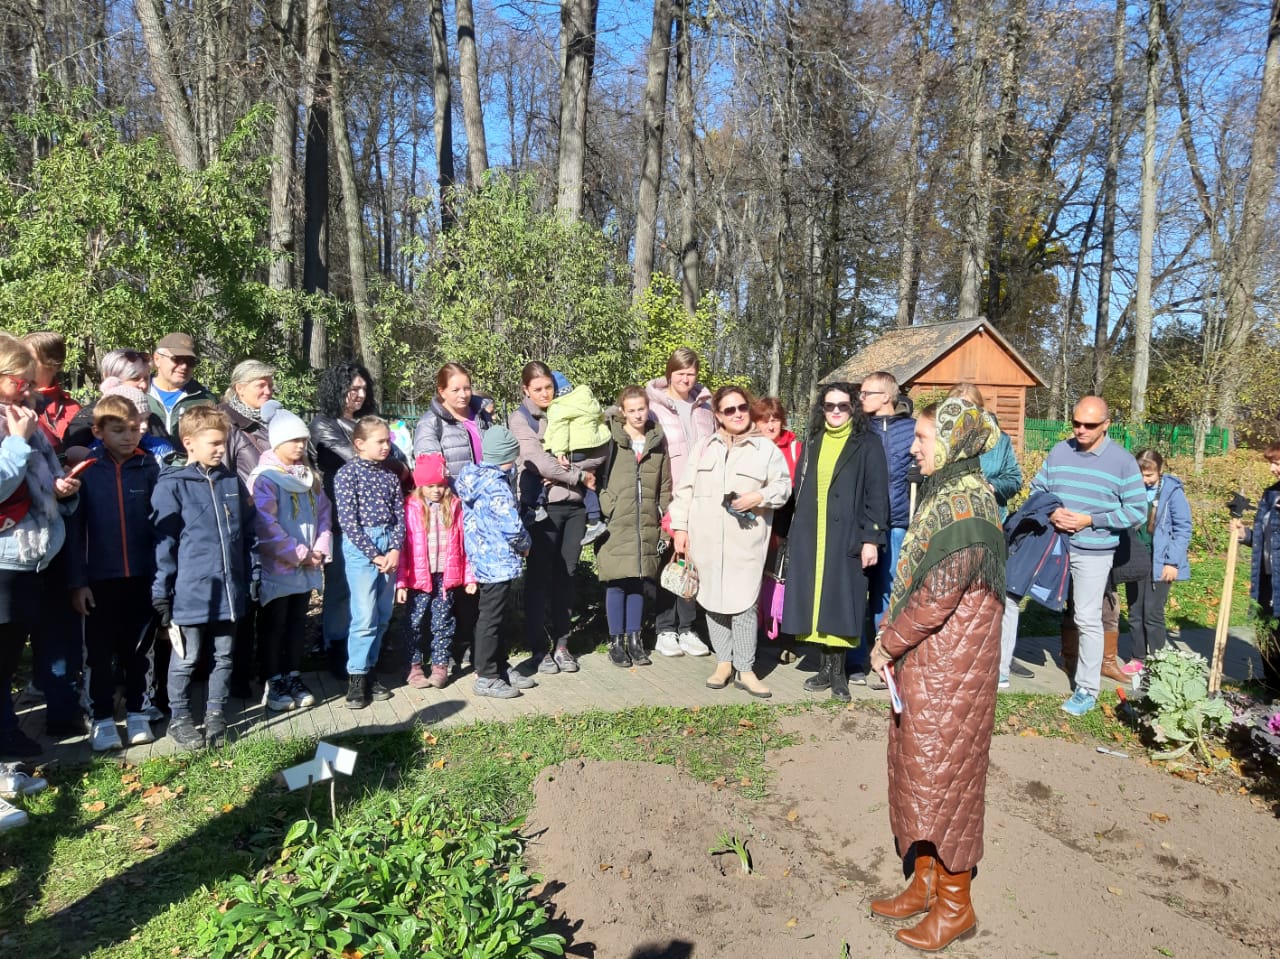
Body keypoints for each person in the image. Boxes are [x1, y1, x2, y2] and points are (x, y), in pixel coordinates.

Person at [867, 397, 1007, 952]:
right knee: (921, 776)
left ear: (952, 443)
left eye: (923, 439)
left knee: (945, 782)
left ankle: (956, 907)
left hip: (952, 672)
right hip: (931, 669)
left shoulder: (968, 509)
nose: (914, 448)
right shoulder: (947, 495)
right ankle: (924, 883)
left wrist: (885, 645)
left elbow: (935, 599)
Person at [1004, 396, 1146, 715]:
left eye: (1089, 425)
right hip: (1050, 544)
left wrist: (1091, 520)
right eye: (1076, 423)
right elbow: (1038, 487)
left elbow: (1137, 510)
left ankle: (1086, 688)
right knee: (1011, 594)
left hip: (1094, 550)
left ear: (1106, 425)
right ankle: (999, 671)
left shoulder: (1122, 462)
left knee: (1086, 616)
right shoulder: (1060, 451)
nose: (1080, 429)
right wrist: (1052, 511)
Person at [668, 386, 791, 698]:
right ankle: (723, 663)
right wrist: (680, 529)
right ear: (718, 416)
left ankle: (746, 669)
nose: (737, 414)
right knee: (713, 603)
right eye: (729, 410)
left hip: (745, 542)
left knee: (745, 605)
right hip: (706, 540)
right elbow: (685, 490)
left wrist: (758, 496)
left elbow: (783, 487)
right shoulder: (704, 447)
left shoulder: (765, 449)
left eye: (741, 408)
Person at [151, 406, 255, 751]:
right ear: (188, 443)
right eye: (212, 443)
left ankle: (215, 715)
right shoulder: (172, 486)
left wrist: (252, 575)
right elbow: (163, 545)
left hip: (230, 591)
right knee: (187, 657)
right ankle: (179, 719)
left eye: (222, 443)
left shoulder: (230, 481)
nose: (219, 450)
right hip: (191, 593)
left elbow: (248, 534)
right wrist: (161, 593)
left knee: (224, 656)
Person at [780, 383, 890, 702]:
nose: (837, 411)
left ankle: (839, 672)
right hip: (813, 534)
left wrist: (872, 538)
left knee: (842, 600)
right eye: (830, 406)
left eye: (843, 405)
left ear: (853, 407)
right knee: (817, 601)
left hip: (848, 535)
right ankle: (825, 667)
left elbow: (877, 495)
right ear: (822, 409)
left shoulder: (868, 443)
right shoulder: (814, 442)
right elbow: (800, 488)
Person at [0, 333, 81, 759]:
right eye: (20, 381)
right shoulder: (14, 425)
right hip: (6, 556)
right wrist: (15, 441)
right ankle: (6, 737)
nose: (30, 389)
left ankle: (23, 727)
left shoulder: (23, 415)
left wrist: (62, 489)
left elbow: (42, 479)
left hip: (36, 553)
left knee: (19, 651)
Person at [66, 395, 161, 751]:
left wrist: (162, 577)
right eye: (118, 430)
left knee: (139, 650)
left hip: (142, 577)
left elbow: (162, 529)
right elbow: (74, 533)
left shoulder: (151, 468)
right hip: (98, 582)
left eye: (134, 429)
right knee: (99, 653)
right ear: (98, 431)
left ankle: (139, 711)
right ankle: (102, 718)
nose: (128, 437)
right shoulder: (87, 472)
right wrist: (78, 583)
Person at [510, 361, 606, 675]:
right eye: (537, 389)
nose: (544, 394)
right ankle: (539, 647)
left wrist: (570, 467)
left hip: (575, 509)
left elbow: (599, 449)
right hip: (542, 511)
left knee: (566, 577)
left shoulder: (571, 408)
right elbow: (536, 461)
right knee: (539, 579)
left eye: (548, 387)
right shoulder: (521, 419)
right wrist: (578, 474)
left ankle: (562, 644)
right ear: (526, 389)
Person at [945, 385, 1030, 689]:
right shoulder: (942, 438)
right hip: (950, 527)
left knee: (987, 596)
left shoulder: (999, 441)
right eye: (956, 404)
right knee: (951, 595)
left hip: (989, 526)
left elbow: (1014, 479)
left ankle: (990, 662)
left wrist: (992, 486)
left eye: (968, 405)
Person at [248, 409, 332, 712]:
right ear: (277, 442)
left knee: (297, 623)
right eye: (293, 440)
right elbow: (265, 524)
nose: (300, 446)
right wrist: (299, 554)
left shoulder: (309, 477)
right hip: (278, 568)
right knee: (274, 625)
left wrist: (319, 550)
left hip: (306, 565)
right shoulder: (266, 478)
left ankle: (293, 675)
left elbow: (324, 516)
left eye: (303, 440)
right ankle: (274, 680)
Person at [310, 361, 379, 679]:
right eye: (353, 389)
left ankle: (364, 652)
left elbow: (395, 457)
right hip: (339, 515)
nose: (360, 394)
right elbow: (356, 457)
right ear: (337, 390)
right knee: (339, 588)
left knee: (368, 589)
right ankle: (336, 649)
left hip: (373, 516)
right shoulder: (324, 424)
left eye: (364, 388)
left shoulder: (370, 422)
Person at [645, 349, 716, 657]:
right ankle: (664, 629)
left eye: (691, 374)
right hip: (670, 493)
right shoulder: (654, 407)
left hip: (701, 495)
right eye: (680, 373)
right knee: (669, 561)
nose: (686, 379)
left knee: (692, 563)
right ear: (669, 373)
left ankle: (688, 628)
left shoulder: (705, 407)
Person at [455, 426, 535, 698]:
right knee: (491, 618)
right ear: (510, 456)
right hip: (498, 560)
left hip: (482, 557)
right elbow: (512, 526)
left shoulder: (475, 479)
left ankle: (499, 666)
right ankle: (487, 675)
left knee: (493, 616)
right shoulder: (497, 486)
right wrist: (525, 545)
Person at [596, 385, 671, 668]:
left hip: (647, 523)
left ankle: (635, 640)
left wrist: (664, 522)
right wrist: (606, 504)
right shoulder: (611, 439)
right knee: (617, 583)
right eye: (632, 410)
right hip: (617, 521)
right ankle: (616, 642)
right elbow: (595, 473)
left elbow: (664, 486)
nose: (638, 415)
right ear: (623, 412)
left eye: (642, 409)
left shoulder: (656, 441)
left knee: (639, 582)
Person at [334, 416, 404, 710]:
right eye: (380, 441)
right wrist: (374, 554)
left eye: (388, 441)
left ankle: (372, 669)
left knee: (383, 613)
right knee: (364, 615)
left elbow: (399, 515)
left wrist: (395, 550)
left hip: (388, 545)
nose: (386, 446)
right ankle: (357, 677)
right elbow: (349, 522)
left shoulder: (390, 476)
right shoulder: (347, 475)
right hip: (362, 548)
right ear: (360, 444)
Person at [396, 453, 475, 689]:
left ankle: (440, 666)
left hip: (445, 577)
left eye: (440, 486)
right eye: (430, 486)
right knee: (415, 622)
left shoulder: (454, 506)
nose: (436, 491)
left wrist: (469, 576)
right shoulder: (411, 507)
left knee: (443, 622)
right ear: (421, 485)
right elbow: (402, 548)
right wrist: (400, 582)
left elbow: (465, 544)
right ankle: (414, 666)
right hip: (418, 578)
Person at [858, 371, 916, 684]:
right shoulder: (859, 428)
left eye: (867, 393)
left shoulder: (912, 429)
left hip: (897, 523)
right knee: (858, 589)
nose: (861, 398)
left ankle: (885, 659)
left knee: (890, 592)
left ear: (886, 397)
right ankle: (854, 659)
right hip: (864, 523)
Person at [1119, 448, 1191, 673]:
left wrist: (1172, 562)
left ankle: (1159, 658)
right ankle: (1138, 656)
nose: (1144, 480)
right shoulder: (1130, 491)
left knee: (1152, 612)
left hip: (1161, 561)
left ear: (1160, 471)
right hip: (1135, 558)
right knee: (1135, 610)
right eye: (1140, 474)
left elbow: (1182, 529)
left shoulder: (1172, 492)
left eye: (1149, 475)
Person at [753, 397, 803, 660]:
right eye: (764, 420)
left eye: (775, 419)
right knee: (757, 580)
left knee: (784, 581)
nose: (770, 425)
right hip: (757, 522)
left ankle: (787, 639)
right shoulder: (749, 447)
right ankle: (757, 634)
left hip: (785, 524)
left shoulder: (795, 448)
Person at [537, 372, 611, 545]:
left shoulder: (558, 406)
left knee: (551, 470)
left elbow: (561, 428)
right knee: (585, 483)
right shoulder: (585, 397)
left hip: (572, 449)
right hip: (592, 446)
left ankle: (538, 504)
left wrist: (560, 451)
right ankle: (594, 520)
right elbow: (600, 417)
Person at [1234, 441, 1280, 695]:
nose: (1273, 469)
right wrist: (1246, 534)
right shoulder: (1271, 494)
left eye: (1277, 463)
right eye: (1271, 463)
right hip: (1266, 578)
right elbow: (1266, 537)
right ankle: (1270, 687)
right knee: (1266, 635)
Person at [412, 362, 493, 480]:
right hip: (453, 496)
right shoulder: (430, 424)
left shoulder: (482, 416)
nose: (463, 395)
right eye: (455, 390)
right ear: (442, 391)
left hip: (487, 493)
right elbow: (430, 475)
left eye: (467, 388)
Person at [147, 332, 215, 454]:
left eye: (190, 361)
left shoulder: (205, 400)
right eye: (176, 359)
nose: (183, 366)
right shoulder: (138, 395)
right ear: (157, 359)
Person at [23, 332, 81, 453]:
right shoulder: (14, 401)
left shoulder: (72, 409)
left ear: (53, 364)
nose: (23, 364)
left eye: (30, 359)